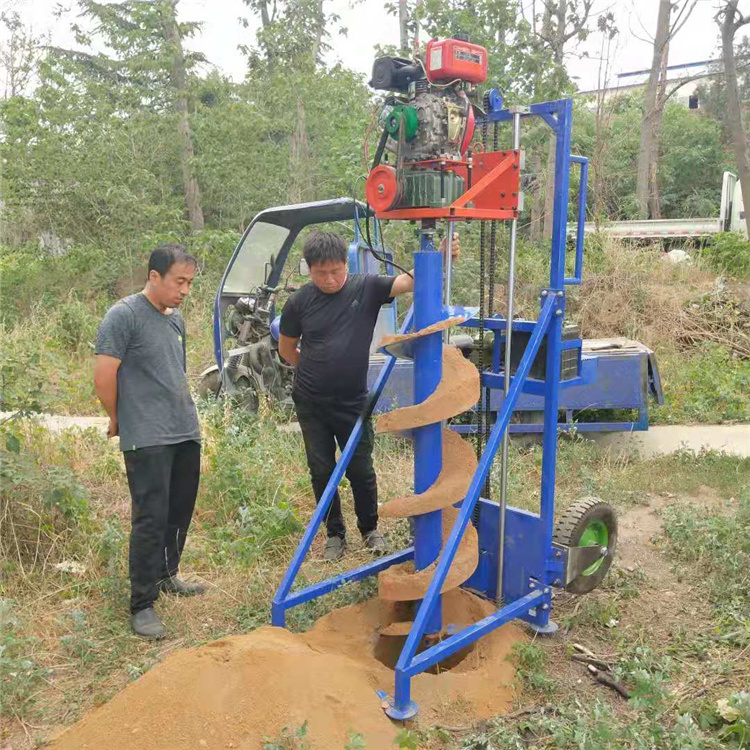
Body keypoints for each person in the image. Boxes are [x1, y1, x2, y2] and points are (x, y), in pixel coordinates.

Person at [278, 231, 459, 561]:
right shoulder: (299, 302)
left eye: (335, 271)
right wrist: (317, 370)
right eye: (321, 273)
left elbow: (409, 282)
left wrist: (441, 257)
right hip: (311, 403)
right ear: (309, 269)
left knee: (361, 468)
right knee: (321, 469)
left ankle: (369, 528)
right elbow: (287, 348)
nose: (330, 279)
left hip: (353, 403)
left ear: (346, 264)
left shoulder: (366, 287)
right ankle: (335, 534)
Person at [94, 244, 206, 640]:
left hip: (184, 431)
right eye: (180, 281)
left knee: (179, 511)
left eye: (190, 283)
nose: (185, 290)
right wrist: (118, 417)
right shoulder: (123, 316)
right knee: (150, 518)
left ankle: (167, 575)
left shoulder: (175, 320)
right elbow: (104, 374)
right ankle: (142, 604)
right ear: (154, 276)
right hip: (148, 438)